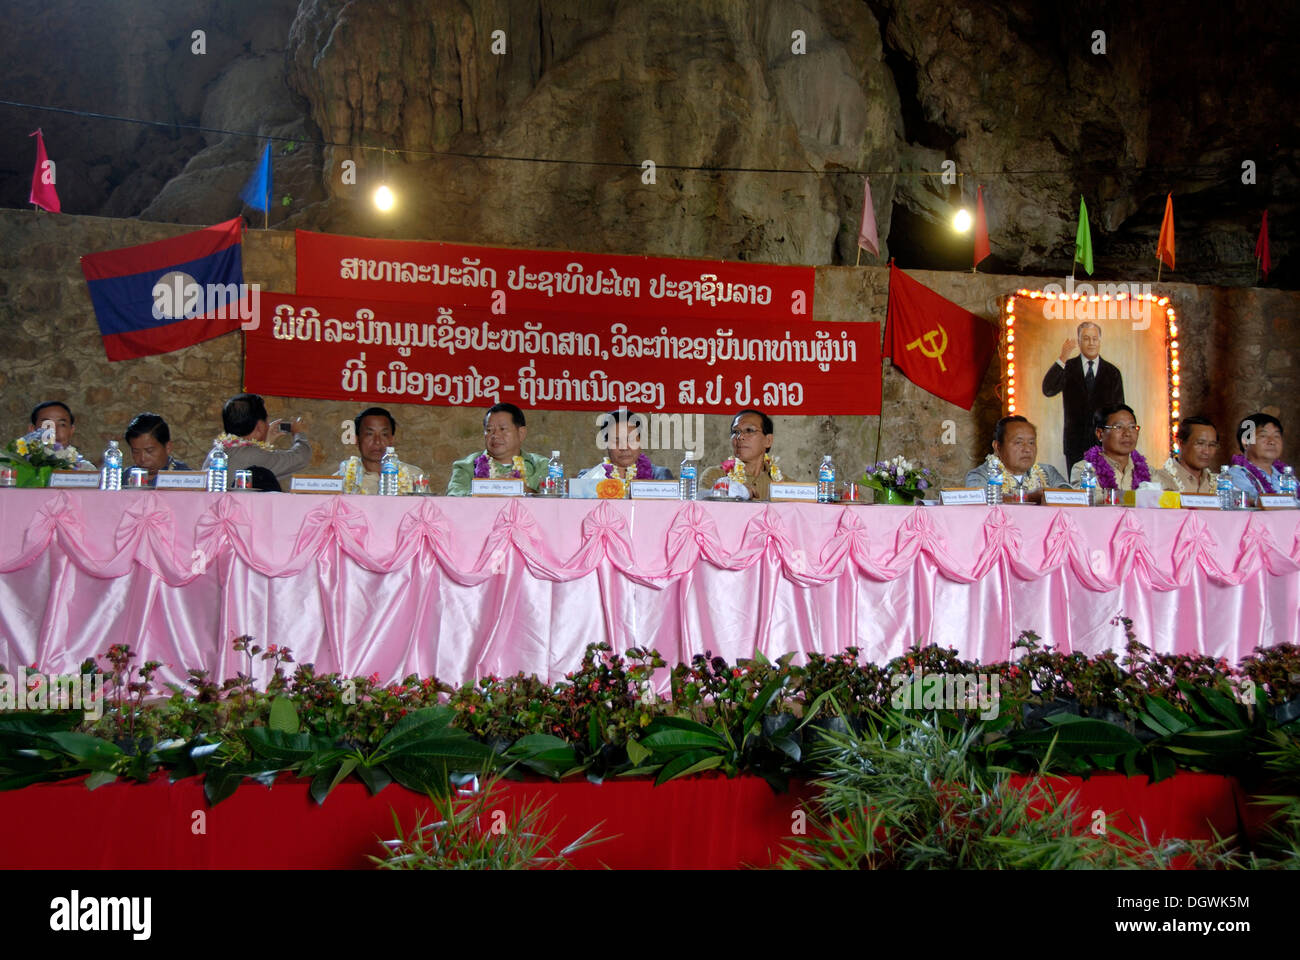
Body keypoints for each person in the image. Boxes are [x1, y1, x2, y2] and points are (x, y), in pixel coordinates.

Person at [1041, 321, 1125, 473]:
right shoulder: (1068, 367)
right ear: (1078, 342)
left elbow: (1119, 414)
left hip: (1104, 446)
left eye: (1094, 338)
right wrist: (1062, 357)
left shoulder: (1112, 373)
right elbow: (1048, 389)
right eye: (1086, 338)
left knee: (1104, 491)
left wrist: (1117, 445)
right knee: (1078, 492)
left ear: (1100, 341)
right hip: (1075, 445)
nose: (1091, 343)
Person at [203, 393, 314, 485]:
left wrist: (265, 443)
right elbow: (300, 457)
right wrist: (299, 433)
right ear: (260, 426)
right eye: (266, 420)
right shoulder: (253, 456)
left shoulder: (216, 453)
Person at [446, 403, 550, 496]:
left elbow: (552, 503)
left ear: (521, 433)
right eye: (489, 430)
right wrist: (490, 490)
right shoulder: (466, 466)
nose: (495, 435)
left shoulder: (542, 465)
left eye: (502, 429)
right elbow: (454, 498)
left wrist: (524, 490)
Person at [964, 415, 1070, 502]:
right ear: (997, 447)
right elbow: (981, 500)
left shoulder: (1047, 472)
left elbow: (1070, 496)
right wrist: (1027, 497)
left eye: (1031, 443)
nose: (1027, 449)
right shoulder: (981, 475)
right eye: (1018, 442)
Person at [1069, 403, 1153, 501]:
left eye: (1132, 427)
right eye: (1118, 427)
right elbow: (1091, 499)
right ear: (1100, 434)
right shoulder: (1085, 469)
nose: (1127, 433)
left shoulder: (1148, 471)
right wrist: (1138, 498)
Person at [335, 407, 424, 494]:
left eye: (384, 434)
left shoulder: (414, 476)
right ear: (357, 440)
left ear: (392, 440)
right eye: (369, 434)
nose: (377, 441)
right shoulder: (341, 479)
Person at [699, 409, 784, 500]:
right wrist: (731, 491)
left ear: (768, 441)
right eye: (735, 432)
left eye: (749, 430)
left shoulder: (784, 484)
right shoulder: (715, 475)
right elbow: (698, 502)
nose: (740, 437)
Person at [584, 408, 675, 480]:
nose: (624, 447)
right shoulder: (590, 477)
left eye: (630, 440)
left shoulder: (660, 477)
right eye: (617, 441)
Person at [1228, 413, 1289, 499]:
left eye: (1276, 436)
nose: (1272, 441)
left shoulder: (1286, 476)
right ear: (1245, 442)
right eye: (1263, 436)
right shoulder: (1235, 475)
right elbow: (1254, 502)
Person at [1153, 416, 1219, 494]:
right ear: (1180, 443)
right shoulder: (1158, 480)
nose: (1206, 451)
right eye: (1200, 443)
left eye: (1212, 445)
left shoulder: (1219, 485)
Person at [25, 401, 95, 470]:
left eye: (62, 425)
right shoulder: (19, 466)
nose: (54, 431)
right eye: (47, 425)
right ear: (32, 430)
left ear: (71, 430)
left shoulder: (86, 470)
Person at [124, 413, 190, 483]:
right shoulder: (124, 478)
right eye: (136, 451)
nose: (142, 459)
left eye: (149, 451)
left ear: (168, 447)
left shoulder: (186, 478)